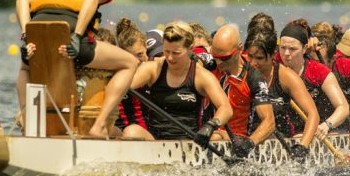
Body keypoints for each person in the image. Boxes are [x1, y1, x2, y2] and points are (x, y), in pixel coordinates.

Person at [15, 0, 138, 139]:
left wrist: (26, 35)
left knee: (25, 68)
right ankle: (100, 126)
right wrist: (77, 36)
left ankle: (27, 118)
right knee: (129, 63)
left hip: (37, 42)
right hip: (71, 41)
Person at [121, 21, 232, 144]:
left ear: (190, 49)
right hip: (155, 140)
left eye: (176, 53)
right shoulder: (154, 68)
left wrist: (211, 125)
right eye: (166, 51)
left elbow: (226, 108)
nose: (169, 58)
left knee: (219, 136)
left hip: (190, 141)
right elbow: (123, 86)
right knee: (131, 131)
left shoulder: (201, 76)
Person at [243, 27, 318, 158]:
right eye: (250, 56)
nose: (253, 63)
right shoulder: (242, 69)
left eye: (260, 58)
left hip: (279, 142)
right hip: (247, 140)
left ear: (273, 55)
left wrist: (303, 146)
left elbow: (313, 114)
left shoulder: (286, 77)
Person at [208, 25, 276, 157]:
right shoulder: (209, 63)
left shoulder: (253, 78)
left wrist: (249, 145)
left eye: (224, 58)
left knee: (215, 137)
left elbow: (269, 122)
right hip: (208, 133)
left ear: (239, 49)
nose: (219, 63)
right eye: (215, 56)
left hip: (238, 139)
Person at [278, 22, 350, 141]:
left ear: (305, 48)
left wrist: (326, 126)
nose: (286, 54)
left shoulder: (318, 71)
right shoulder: (272, 67)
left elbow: (343, 107)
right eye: (283, 48)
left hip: (318, 133)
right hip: (285, 136)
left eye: (292, 49)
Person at [115, 17, 150, 133]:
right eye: (130, 57)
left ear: (146, 48)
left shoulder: (155, 70)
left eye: (140, 54)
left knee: (131, 131)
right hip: (120, 133)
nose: (136, 61)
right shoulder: (115, 74)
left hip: (148, 135)